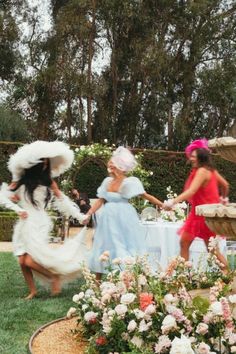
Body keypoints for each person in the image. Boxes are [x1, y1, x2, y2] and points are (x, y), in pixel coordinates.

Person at [0, 141, 88, 299]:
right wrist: (17, 208)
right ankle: (33, 291)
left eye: (47, 161)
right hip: (24, 223)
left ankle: (53, 277)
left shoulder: (49, 181)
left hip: (39, 222)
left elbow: (64, 201)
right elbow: (3, 196)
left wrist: (80, 217)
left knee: (29, 260)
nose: (46, 164)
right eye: (43, 161)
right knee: (22, 260)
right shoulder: (21, 180)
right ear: (34, 163)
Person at [83, 146, 163, 281]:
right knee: (103, 245)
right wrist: (89, 213)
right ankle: (97, 280)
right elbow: (100, 200)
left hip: (124, 219)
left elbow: (146, 196)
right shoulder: (107, 182)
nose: (110, 165)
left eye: (113, 163)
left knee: (126, 245)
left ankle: (131, 278)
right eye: (110, 163)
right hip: (107, 219)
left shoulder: (129, 182)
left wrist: (162, 205)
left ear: (121, 166)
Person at [163, 139, 229, 269]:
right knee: (186, 243)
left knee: (210, 250)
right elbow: (225, 185)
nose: (191, 158)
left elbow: (191, 191)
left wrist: (172, 202)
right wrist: (223, 199)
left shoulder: (202, 171)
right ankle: (184, 275)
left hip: (203, 215)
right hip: (202, 214)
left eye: (193, 156)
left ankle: (228, 274)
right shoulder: (210, 170)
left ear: (200, 157)